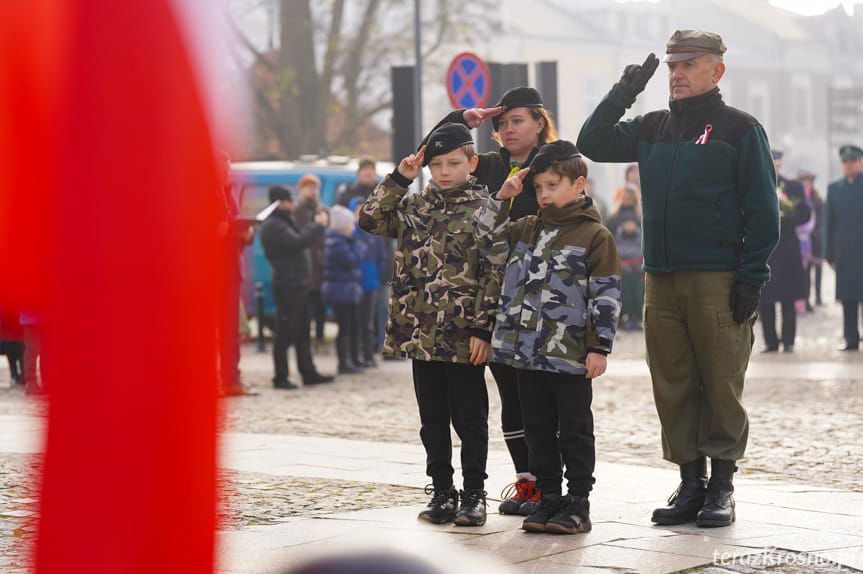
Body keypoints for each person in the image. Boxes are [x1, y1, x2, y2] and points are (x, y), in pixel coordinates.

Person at [578, 30, 780, 528]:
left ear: (717, 71)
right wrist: (624, 91)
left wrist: (750, 277)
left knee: (720, 382)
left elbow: (763, 212)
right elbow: (591, 141)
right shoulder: (653, 126)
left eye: (689, 64)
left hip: (716, 277)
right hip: (660, 279)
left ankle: (721, 486)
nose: (677, 74)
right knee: (672, 383)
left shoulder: (740, 129)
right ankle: (690, 483)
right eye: (672, 66)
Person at [422, 85, 560, 516]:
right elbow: (434, 151)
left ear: (540, 122)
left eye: (517, 120)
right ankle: (527, 484)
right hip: (497, 297)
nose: (507, 129)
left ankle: (551, 488)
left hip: (542, 295)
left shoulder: (558, 162)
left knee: (541, 395)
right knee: (509, 393)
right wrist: (461, 118)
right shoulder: (492, 165)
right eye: (502, 123)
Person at [358, 123, 502, 527]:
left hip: (463, 335)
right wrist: (400, 178)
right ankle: (442, 491)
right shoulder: (414, 206)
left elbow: (495, 272)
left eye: (453, 163)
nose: (443, 171)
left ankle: (474, 493)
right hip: (420, 333)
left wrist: (483, 328)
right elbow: (369, 219)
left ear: (472, 163)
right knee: (432, 418)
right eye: (435, 164)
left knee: (469, 417)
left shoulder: (487, 210)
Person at [477, 141, 621, 535]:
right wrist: (504, 198)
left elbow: (606, 294)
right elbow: (483, 242)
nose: (543, 194)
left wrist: (599, 346)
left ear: (578, 184)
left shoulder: (595, 235)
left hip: (570, 354)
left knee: (574, 429)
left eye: (552, 185)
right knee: (537, 429)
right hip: (525, 354)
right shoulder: (524, 229)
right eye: (538, 187)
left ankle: (577, 504)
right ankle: (548, 499)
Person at [260, 185, 328, 389]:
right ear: (280, 203)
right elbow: (297, 243)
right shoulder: (274, 225)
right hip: (287, 284)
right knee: (286, 330)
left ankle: (308, 371)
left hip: (298, 283)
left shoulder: (282, 221)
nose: (292, 204)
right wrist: (316, 226)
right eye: (289, 201)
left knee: (302, 329)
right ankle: (280, 376)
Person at [758, 150, 810, 353]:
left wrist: (787, 215)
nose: (774, 167)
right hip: (766, 250)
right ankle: (770, 342)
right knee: (766, 299)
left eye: (777, 164)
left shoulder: (793, 187)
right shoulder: (758, 185)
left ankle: (788, 340)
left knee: (788, 297)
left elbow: (805, 213)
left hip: (788, 248)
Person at [217, 152, 256, 396]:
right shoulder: (201, 192)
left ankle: (232, 379)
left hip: (232, 268)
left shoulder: (230, 192)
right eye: (223, 169)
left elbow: (233, 224)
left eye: (228, 168)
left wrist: (246, 234)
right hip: (212, 270)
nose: (226, 173)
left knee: (231, 329)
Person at [824, 144, 863, 352]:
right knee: (848, 298)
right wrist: (828, 253)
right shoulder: (834, 189)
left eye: (852, 161)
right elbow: (828, 223)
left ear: (860, 162)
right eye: (845, 162)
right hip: (845, 253)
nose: (848, 166)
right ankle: (851, 338)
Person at [323, 205, 366, 374]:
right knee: (345, 327)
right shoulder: (336, 242)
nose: (353, 228)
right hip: (340, 291)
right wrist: (357, 245)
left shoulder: (343, 241)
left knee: (353, 325)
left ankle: (353, 358)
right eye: (350, 224)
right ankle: (344, 362)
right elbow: (351, 260)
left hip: (347, 289)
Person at [349, 197, 387, 368]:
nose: (359, 213)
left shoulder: (373, 232)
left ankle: (368, 355)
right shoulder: (349, 232)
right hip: (353, 283)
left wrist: (379, 275)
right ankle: (354, 356)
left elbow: (382, 257)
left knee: (368, 322)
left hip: (371, 283)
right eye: (356, 209)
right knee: (354, 323)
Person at [294, 174, 328, 343]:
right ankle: (304, 338)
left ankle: (320, 336)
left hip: (320, 264)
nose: (312, 191)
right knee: (305, 304)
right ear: (301, 189)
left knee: (320, 304)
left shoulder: (321, 209)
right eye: (309, 187)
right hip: (305, 263)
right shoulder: (297, 210)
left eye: (315, 188)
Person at [798, 168, 824, 309]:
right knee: (805, 274)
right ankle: (806, 300)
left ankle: (818, 296)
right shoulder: (799, 199)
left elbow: (821, 218)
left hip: (816, 241)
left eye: (808, 181)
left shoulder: (817, 199)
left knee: (818, 270)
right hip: (803, 242)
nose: (806, 183)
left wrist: (813, 231)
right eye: (804, 181)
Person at [615, 213, 645, 331]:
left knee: (637, 296)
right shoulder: (618, 237)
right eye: (627, 223)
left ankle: (636, 318)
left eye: (631, 223)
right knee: (624, 296)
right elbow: (619, 251)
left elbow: (640, 252)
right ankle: (624, 318)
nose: (629, 226)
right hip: (624, 272)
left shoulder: (640, 236)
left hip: (637, 272)